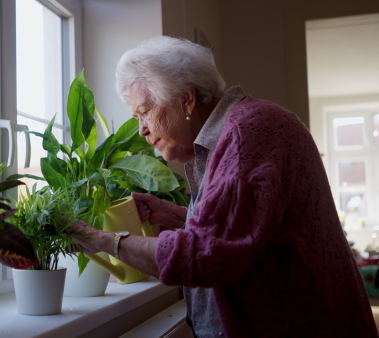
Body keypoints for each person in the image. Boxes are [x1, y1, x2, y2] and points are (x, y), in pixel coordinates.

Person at [70, 36, 378, 337]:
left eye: (145, 112)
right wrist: (176, 216)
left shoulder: (249, 133)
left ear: (186, 99)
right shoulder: (244, 126)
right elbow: (247, 230)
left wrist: (103, 240)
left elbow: (206, 255)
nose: (141, 130)